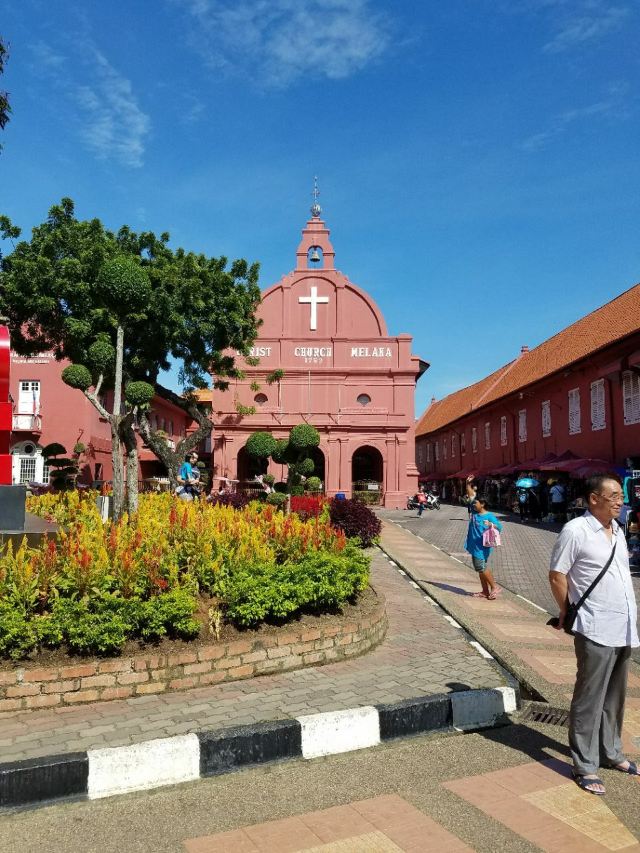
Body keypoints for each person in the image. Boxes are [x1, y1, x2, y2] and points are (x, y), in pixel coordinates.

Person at [548, 474, 639, 796]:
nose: (620, 500)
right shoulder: (576, 530)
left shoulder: (617, 531)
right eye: (613, 495)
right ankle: (584, 764)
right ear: (593, 499)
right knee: (589, 699)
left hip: (623, 625)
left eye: (621, 495)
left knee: (614, 697)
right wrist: (567, 612)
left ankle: (611, 752)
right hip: (595, 626)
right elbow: (557, 574)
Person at [464, 476, 503, 599]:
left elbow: (499, 527)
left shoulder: (489, 516)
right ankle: (485, 591)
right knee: (480, 570)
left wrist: (491, 524)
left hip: (482, 547)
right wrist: (468, 483)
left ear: (483, 504)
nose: (474, 504)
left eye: (476, 503)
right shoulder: (475, 512)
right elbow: (471, 496)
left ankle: (494, 587)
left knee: (480, 567)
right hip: (474, 546)